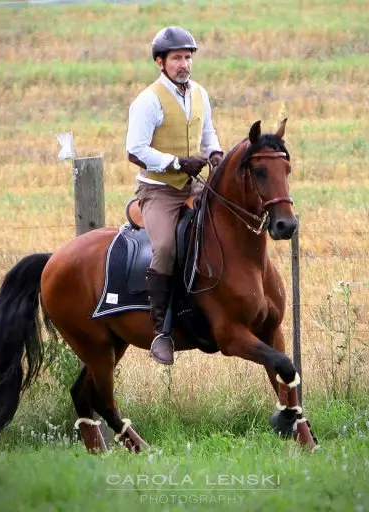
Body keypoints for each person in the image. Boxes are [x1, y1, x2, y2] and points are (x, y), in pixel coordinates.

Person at [125, 26, 224, 365]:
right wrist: (177, 162)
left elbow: (208, 133)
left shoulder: (199, 93)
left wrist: (216, 155)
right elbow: (135, 151)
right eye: (177, 58)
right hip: (158, 191)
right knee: (166, 247)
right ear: (160, 62)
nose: (184, 64)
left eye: (187, 57)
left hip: (193, 185)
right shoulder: (148, 100)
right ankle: (161, 329)